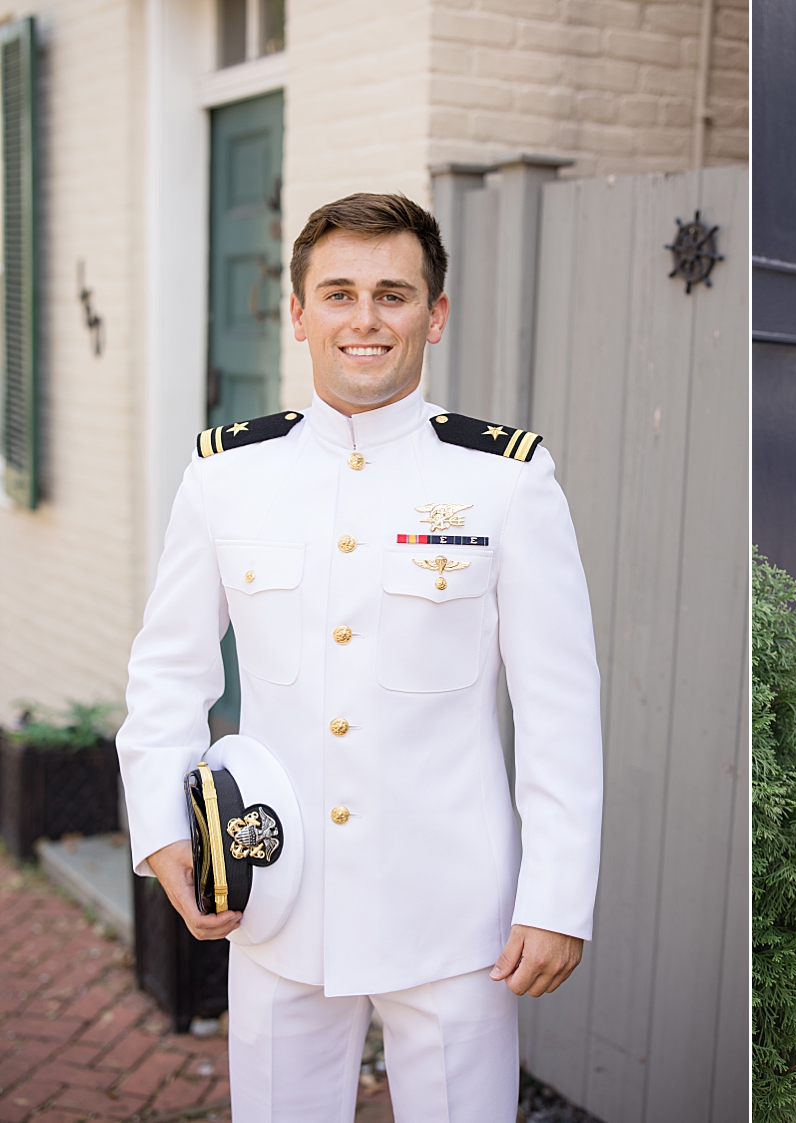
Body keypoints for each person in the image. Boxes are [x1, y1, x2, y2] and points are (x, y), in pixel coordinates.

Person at [116, 193, 604, 1122]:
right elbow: (170, 670)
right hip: (274, 899)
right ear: (298, 313)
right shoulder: (227, 474)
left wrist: (558, 895)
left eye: (394, 293)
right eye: (338, 293)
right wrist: (162, 830)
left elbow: (559, 708)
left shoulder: (504, 479)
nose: (366, 319)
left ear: (436, 314)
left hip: (454, 913)